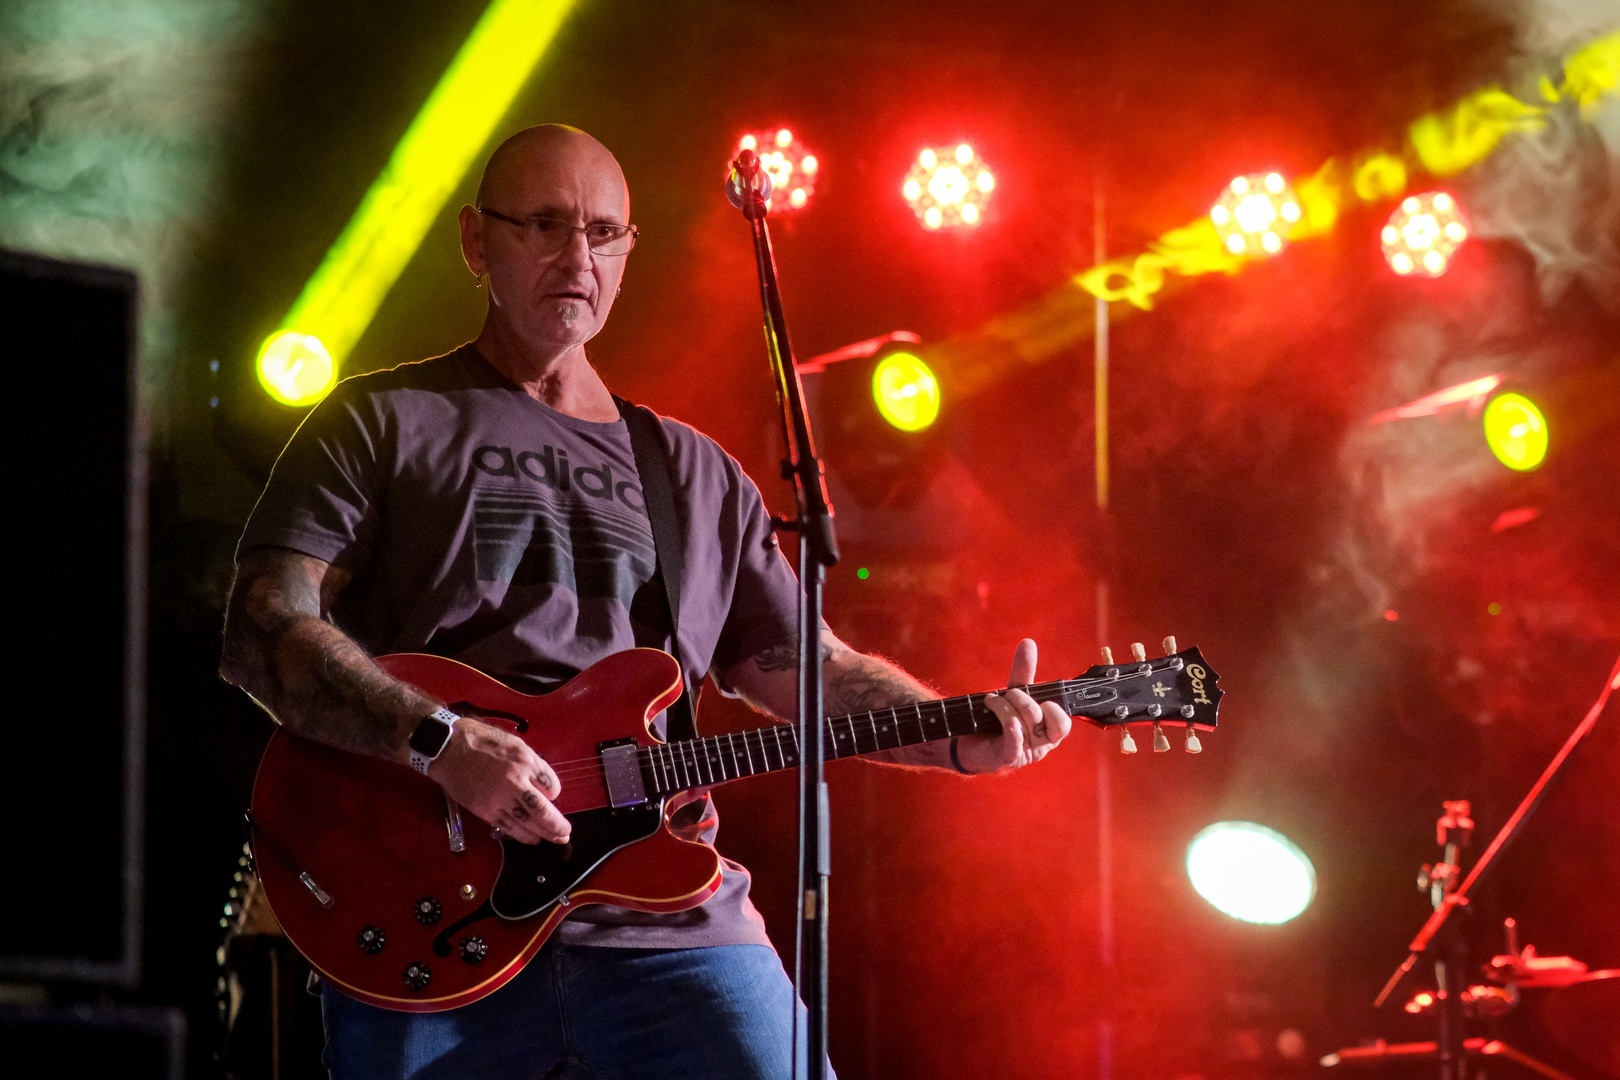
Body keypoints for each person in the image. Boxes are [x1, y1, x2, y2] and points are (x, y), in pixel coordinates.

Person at [220, 124, 1073, 1080]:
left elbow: (810, 670)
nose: (576, 258)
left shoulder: (695, 474)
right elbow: (261, 628)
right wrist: (441, 744)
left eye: (602, 233)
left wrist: (956, 734)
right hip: (431, 915)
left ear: (629, 250)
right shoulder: (378, 423)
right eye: (544, 225)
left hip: (672, 929)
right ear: (475, 241)